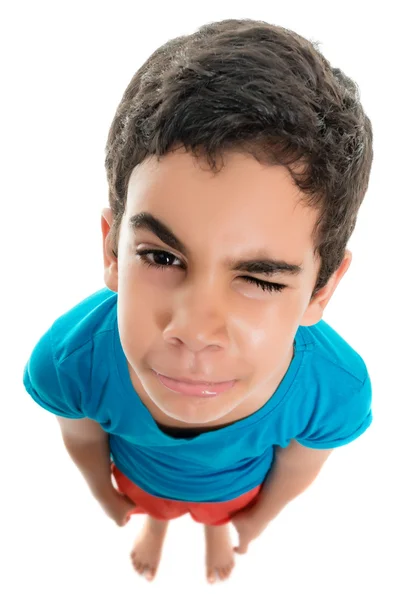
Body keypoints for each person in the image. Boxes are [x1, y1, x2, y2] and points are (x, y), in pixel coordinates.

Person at [22, 18, 374, 584]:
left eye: (261, 279)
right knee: (154, 506)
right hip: (139, 479)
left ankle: (216, 526)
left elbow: (297, 467)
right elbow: (83, 436)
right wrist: (109, 498)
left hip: (235, 491)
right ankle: (156, 524)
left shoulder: (334, 390)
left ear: (323, 288)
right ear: (113, 251)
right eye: (161, 257)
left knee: (220, 515)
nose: (195, 330)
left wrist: (255, 519)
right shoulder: (69, 360)